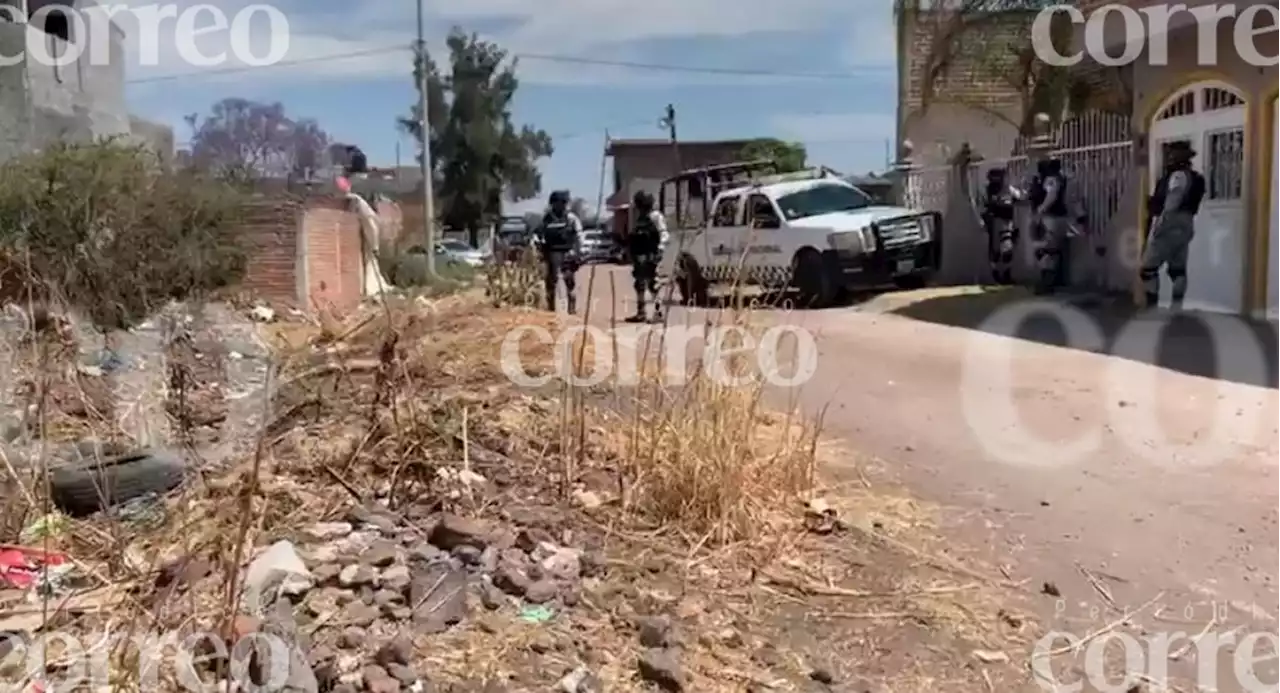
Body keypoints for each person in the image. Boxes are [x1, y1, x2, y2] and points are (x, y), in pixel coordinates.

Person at [1142, 141, 1203, 310]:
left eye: (1172, 154)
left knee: (1147, 268)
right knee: (1177, 269)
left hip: (1171, 220)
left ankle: (1151, 307)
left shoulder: (1178, 176)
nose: (1169, 157)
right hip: (1186, 223)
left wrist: (1161, 222)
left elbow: (1173, 200)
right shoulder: (1195, 177)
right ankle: (1177, 307)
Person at [534, 190, 582, 313]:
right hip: (552, 252)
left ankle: (571, 307)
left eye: (563, 202)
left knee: (569, 280)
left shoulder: (571, 218)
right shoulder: (547, 218)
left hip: (567, 251)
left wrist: (577, 252)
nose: (561, 205)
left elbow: (578, 235)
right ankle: (551, 307)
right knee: (551, 280)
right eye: (558, 202)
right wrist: (539, 246)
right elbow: (538, 234)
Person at [1029, 157, 1072, 294]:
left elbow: (1051, 195)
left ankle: (1047, 284)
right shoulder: (1058, 177)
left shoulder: (1051, 179)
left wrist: (1040, 211)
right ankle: (1051, 282)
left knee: (1047, 251)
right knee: (1051, 251)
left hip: (1051, 217)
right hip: (1055, 217)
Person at [627, 190, 666, 322]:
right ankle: (641, 313)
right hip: (640, 255)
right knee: (639, 284)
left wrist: (660, 250)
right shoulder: (639, 218)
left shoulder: (655, 216)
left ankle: (658, 313)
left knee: (653, 284)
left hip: (651, 254)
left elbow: (663, 234)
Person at [980, 168, 1021, 285]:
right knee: (998, 249)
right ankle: (998, 273)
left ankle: (1004, 274)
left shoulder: (1008, 189)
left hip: (1006, 222)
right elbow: (983, 206)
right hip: (997, 222)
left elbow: (1020, 197)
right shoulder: (990, 190)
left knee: (1006, 248)